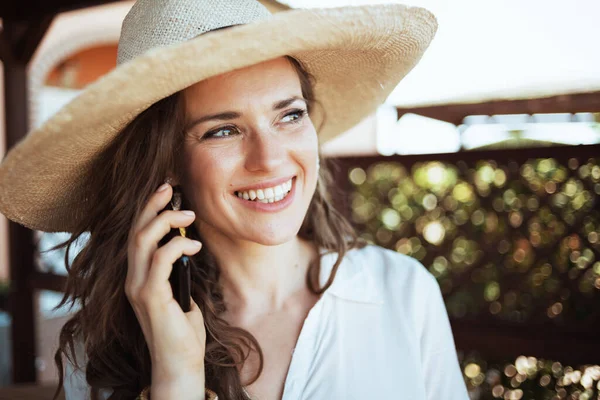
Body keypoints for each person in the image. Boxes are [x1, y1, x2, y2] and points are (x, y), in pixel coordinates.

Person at [0, 0, 468, 399]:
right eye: (222, 130)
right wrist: (176, 375)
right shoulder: (101, 348)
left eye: (289, 115)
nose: (270, 159)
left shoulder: (402, 293)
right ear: (166, 164)